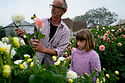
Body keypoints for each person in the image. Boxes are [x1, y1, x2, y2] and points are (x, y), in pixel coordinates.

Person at [15, 0, 70, 65]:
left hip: (52, 66)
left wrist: (43, 49)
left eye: (57, 7)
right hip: (37, 63)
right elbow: (31, 42)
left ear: (64, 11)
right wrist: (24, 37)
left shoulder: (65, 31)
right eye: (52, 6)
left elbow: (59, 51)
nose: (53, 9)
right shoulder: (41, 22)